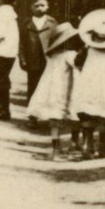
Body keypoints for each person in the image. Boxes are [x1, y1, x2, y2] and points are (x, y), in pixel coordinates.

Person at [70, 8, 105, 159]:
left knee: (88, 112)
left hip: (89, 83)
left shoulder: (88, 49)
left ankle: (87, 143)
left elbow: (77, 62)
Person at [27, 21, 81, 160]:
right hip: (64, 90)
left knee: (55, 120)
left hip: (51, 90)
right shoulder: (69, 54)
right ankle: (73, 144)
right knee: (73, 114)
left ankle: (56, 149)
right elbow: (79, 66)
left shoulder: (53, 55)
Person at [19, 0, 57, 101]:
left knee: (47, 84)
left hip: (47, 59)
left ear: (48, 6)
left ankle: (45, 108)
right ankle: (32, 109)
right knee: (33, 83)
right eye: (36, 5)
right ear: (31, 7)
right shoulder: (27, 23)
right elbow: (21, 43)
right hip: (32, 58)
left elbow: (57, 40)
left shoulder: (52, 22)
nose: (39, 8)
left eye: (42, 5)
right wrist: (22, 59)